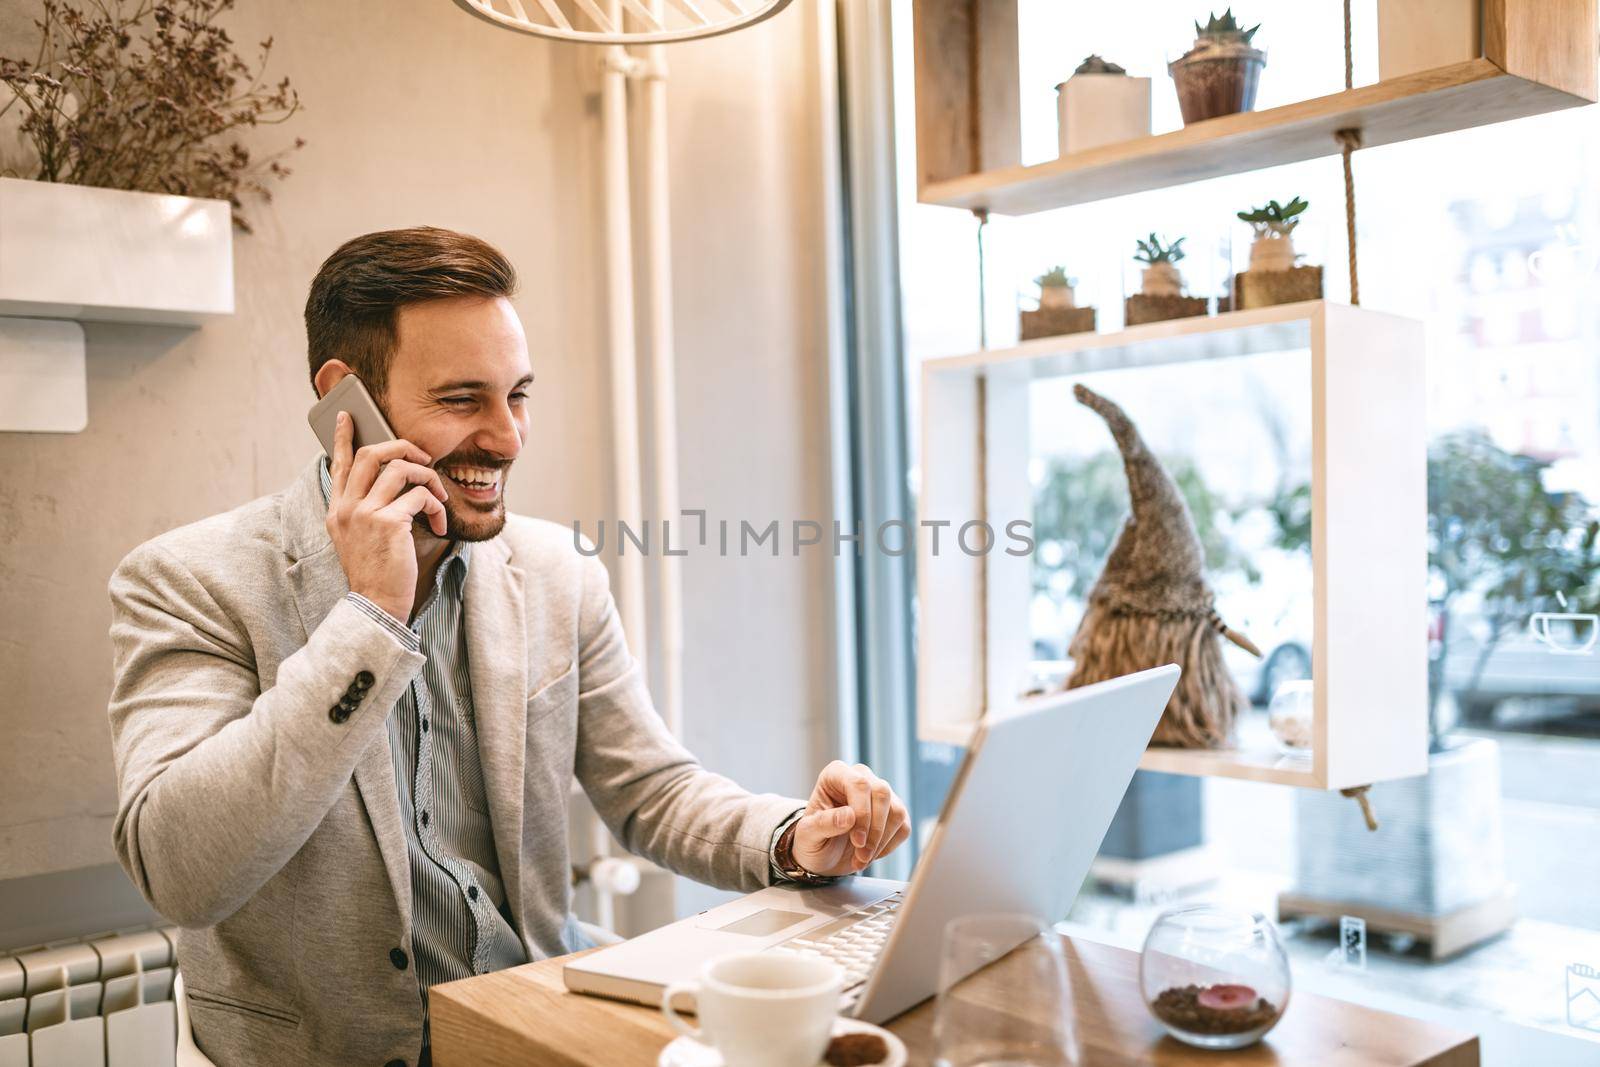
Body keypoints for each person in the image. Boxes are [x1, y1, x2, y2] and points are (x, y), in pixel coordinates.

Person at [106, 227, 909, 1067]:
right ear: (346, 402)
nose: (508, 436)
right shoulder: (188, 580)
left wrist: (792, 838)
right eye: (462, 400)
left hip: (528, 1032)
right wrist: (371, 619)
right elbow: (181, 870)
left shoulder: (557, 570)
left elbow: (651, 789)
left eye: (517, 394)